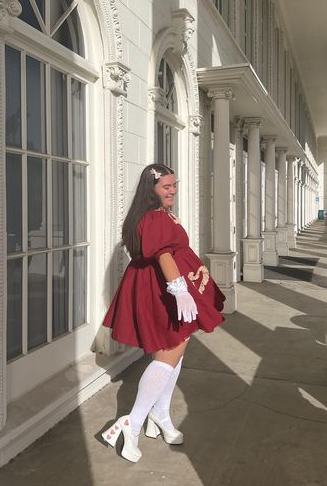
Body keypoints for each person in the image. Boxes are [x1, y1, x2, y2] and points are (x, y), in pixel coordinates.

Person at [101, 163, 225, 462]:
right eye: (165, 186)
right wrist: (180, 290)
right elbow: (164, 254)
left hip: (162, 287)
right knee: (169, 353)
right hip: (163, 291)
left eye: (174, 184)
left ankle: (160, 414)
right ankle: (131, 423)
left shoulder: (155, 214)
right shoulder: (154, 217)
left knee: (174, 352)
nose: (172, 190)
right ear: (151, 189)